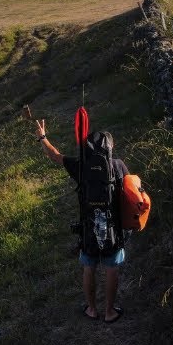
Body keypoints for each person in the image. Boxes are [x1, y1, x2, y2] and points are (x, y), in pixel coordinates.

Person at [34, 117, 128, 323]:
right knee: (111, 268)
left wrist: (42, 137)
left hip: (87, 230)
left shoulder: (80, 166)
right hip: (113, 230)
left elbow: (54, 155)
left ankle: (92, 309)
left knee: (89, 267)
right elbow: (130, 195)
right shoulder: (119, 165)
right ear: (110, 147)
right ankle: (110, 312)